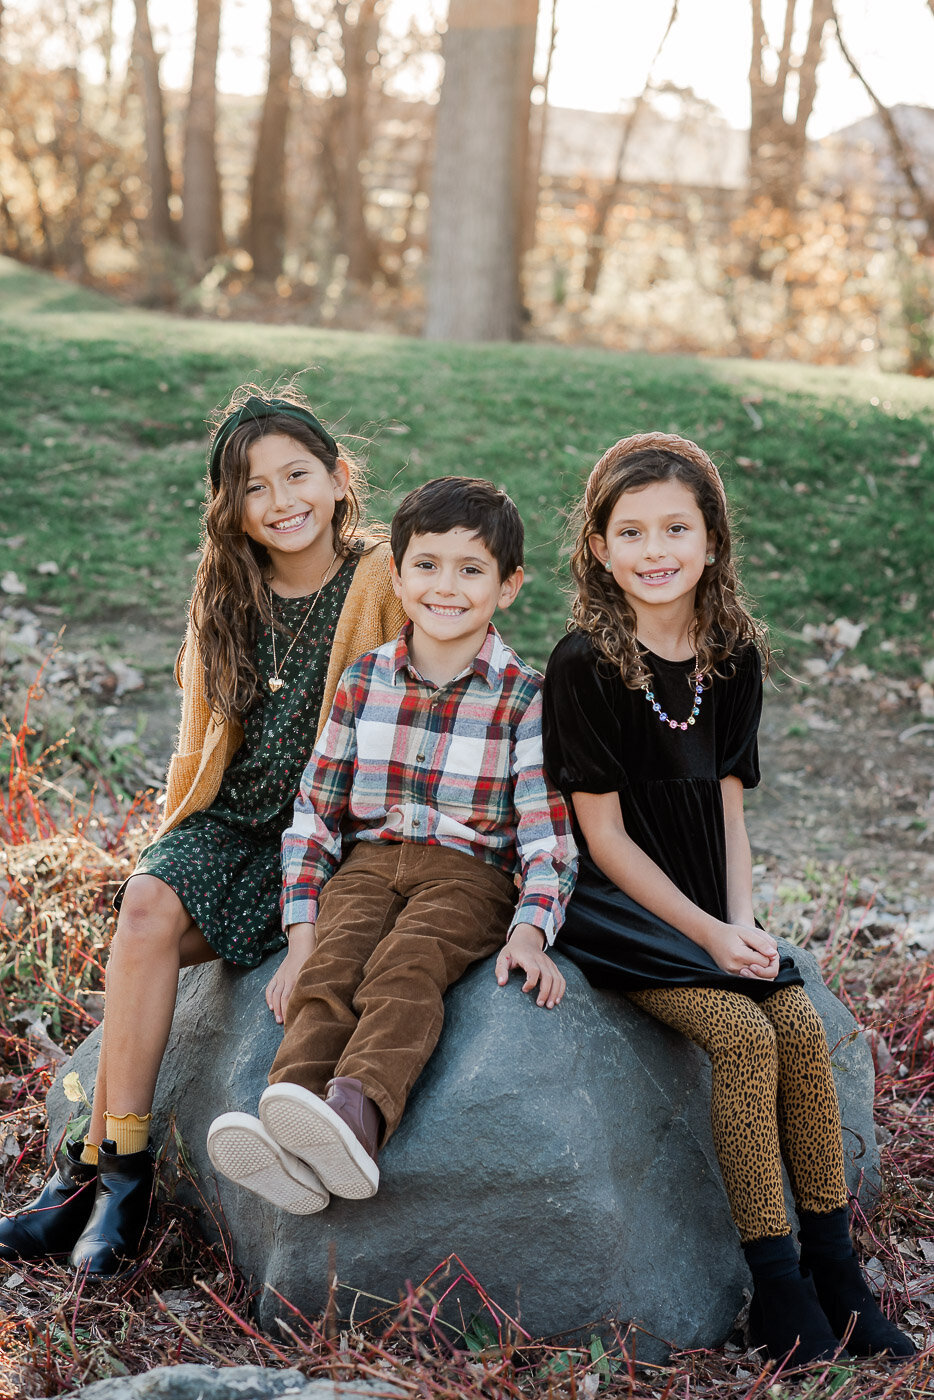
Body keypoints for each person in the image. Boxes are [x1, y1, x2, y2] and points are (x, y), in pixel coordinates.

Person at [0, 387, 406, 1275]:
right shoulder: (227, 589)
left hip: (326, 835)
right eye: (254, 488)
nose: (280, 501)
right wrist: (173, 840)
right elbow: (199, 750)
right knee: (144, 907)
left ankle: (85, 1171)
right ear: (232, 508)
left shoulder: (384, 575)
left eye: (298, 475)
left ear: (340, 478)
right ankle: (117, 1178)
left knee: (150, 925)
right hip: (233, 823)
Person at [541, 432, 914, 1367]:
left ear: (712, 541)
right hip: (624, 914)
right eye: (631, 531)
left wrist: (743, 923)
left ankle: (839, 1272)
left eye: (677, 527)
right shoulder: (584, 664)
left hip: (711, 899)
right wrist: (707, 934)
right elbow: (605, 839)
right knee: (745, 1037)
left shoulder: (733, 655)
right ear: (597, 547)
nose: (655, 549)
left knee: (794, 1021)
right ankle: (777, 1287)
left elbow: (729, 811)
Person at [206, 475, 577, 1212]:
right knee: (333, 969)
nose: (448, 586)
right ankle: (290, 1120)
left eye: (472, 570)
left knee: (405, 971)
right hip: (368, 865)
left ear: (509, 587)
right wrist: (301, 930)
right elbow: (314, 811)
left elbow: (547, 837)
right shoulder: (364, 680)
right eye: (428, 566)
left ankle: (356, 1114)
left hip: (467, 875)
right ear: (399, 578)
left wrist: (532, 932)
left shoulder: (525, 698)